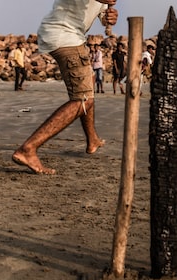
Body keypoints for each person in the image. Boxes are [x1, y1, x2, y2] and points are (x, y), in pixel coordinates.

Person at [12, 0, 118, 174]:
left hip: (72, 37)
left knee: (89, 82)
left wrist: (110, 19)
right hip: (64, 36)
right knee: (83, 99)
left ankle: (92, 139)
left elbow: (103, 16)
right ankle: (28, 149)